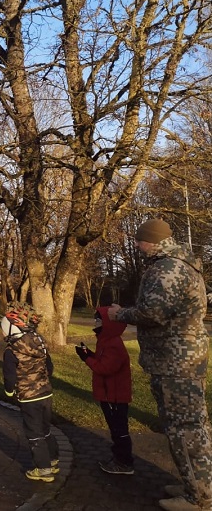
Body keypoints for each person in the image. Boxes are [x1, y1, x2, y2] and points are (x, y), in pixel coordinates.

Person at [108, 219, 212, 511]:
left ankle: (199, 498)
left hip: (176, 362)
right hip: (182, 359)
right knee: (191, 425)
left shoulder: (168, 268)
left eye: (139, 240)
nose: (137, 245)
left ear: (151, 241)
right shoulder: (181, 264)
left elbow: (153, 313)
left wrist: (119, 314)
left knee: (185, 428)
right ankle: (196, 484)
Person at [1, 302, 60, 482]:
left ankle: (43, 470)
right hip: (46, 393)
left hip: (29, 398)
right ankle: (53, 460)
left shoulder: (11, 351)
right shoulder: (40, 343)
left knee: (34, 434)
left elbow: (9, 376)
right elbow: (49, 369)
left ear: (11, 329)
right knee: (45, 429)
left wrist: (9, 391)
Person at [75, 304, 134, 474]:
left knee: (119, 430)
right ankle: (120, 459)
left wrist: (86, 359)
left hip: (114, 396)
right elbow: (102, 361)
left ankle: (124, 462)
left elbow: (105, 368)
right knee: (115, 428)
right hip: (109, 394)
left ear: (109, 324)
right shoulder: (106, 340)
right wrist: (89, 354)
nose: (96, 322)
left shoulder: (113, 344)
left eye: (99, 320)